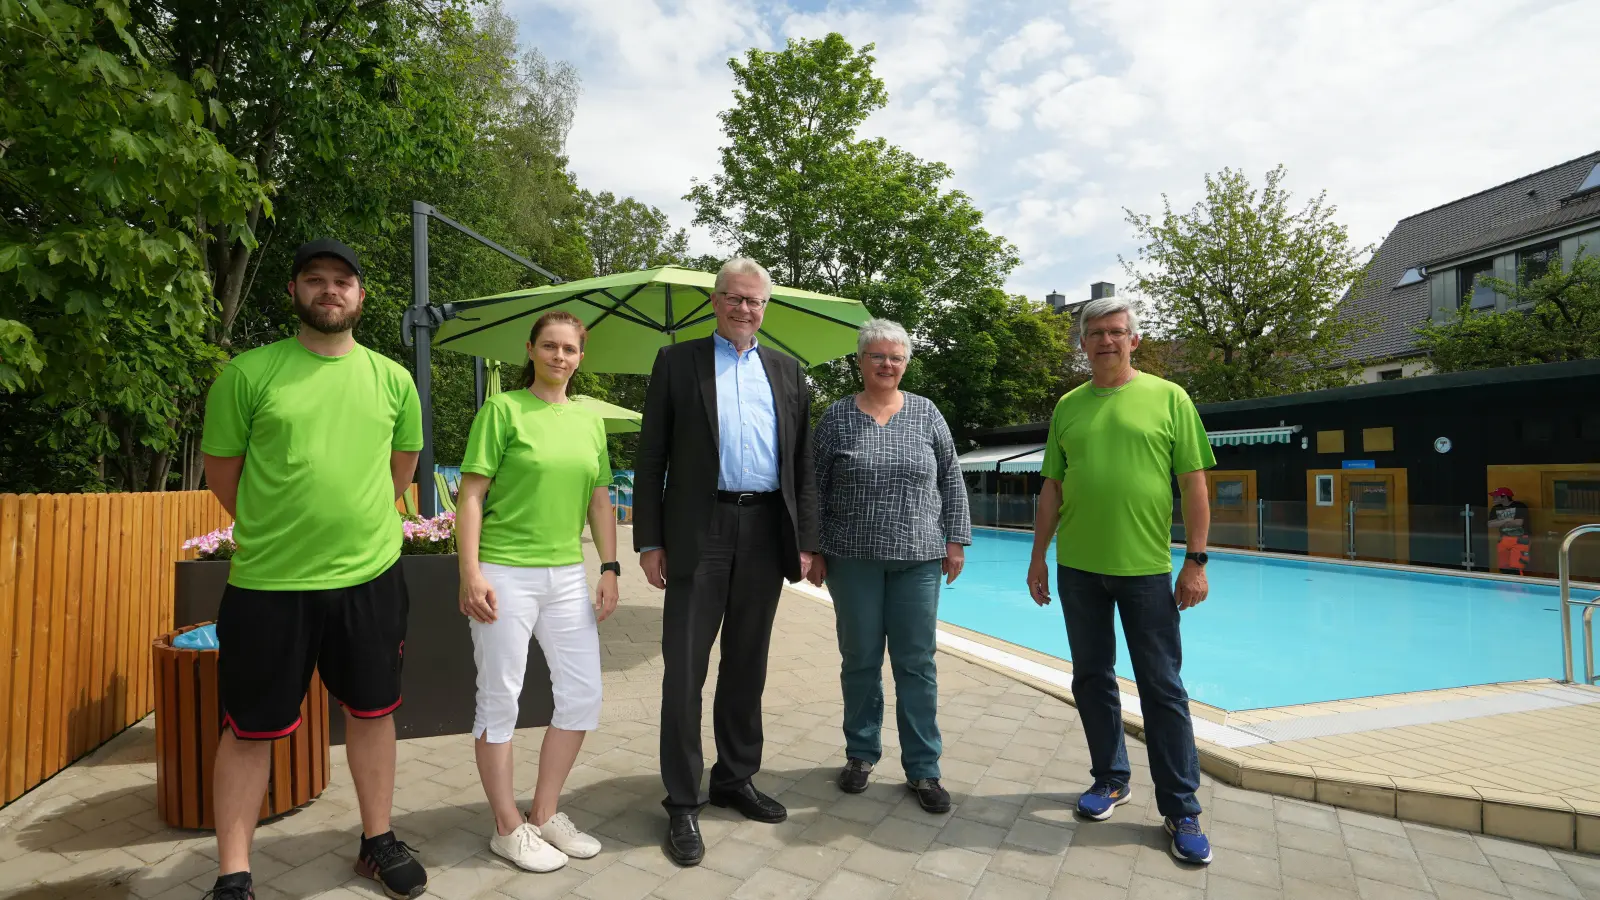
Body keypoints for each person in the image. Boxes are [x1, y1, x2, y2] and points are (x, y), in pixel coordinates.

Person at [200, 239, 427, 900]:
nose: (331, 290)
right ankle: (234, 874)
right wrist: (284, 527)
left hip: (371, 580)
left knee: (372, 711)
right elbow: (224, 474)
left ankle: (377, 841)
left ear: (361, 297)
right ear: (295, 291)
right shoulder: (248, 374)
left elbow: (402, 467)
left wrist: (354, 522)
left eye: (343, 281)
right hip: (270, 585)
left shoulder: (393, 379)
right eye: (316, 279)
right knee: (249, 729)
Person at [634, 257, 819, 867]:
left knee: (748, 662)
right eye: (734, 298)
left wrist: (806, 538)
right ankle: (683, 800)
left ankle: (734, 777)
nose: (745, 309)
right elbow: (652, 455)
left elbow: (802, 465)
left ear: (766, 307)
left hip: (766, 528)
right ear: (715, 301)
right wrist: (650, 540)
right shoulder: (676, 362)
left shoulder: (789, 371)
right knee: (685, 667)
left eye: (755, 301)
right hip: (699, 526)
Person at [1025, 295, 1217, 866]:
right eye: (1095, 333)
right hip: (1079, 569)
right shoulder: (1068, 406)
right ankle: (1111, 777)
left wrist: (1197, 560)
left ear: (1134, 340)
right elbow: (1052, 489)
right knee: (1091, 678)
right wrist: (1038, 557)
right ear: (1081, 344)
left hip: (1146, 571)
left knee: (1162, 687)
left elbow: (1195, 484)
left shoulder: (1169, 398)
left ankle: (1181, 806)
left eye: (1116, 331)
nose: (1106, 341)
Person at [455, 310, 620, 873]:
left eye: (569, 348)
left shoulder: (589, 420)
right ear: (530, 350)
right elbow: (471, 494)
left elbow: (600, 498)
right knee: (500, 697)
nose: (558, 356)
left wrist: (611, 566)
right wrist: (469, 572)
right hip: (504, 572)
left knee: (581, 696)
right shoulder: (503, 410)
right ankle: (507, 825)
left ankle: (544, 813)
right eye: (548, 346)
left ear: (581, 355)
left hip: (567, 575)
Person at [808, 318, 970, 813]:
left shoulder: (926, 413)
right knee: (859, 660)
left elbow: (951, 477)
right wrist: (811, 548)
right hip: (851, 559)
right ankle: (860, 753)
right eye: (877, 356)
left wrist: (957, 539)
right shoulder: (836, 417)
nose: (887, 364)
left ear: (906, 363)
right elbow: (812, 486)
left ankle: (923, 768)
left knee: (916, 664)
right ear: (859, 361)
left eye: (896, 357)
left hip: (918, 560)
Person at [1490, 487, 1531, 575]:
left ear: (1504, 497)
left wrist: (1499, 522)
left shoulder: (1519, 505)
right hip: (1503, 539)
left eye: (1496, 496)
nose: (1493, 498)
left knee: (1517, 567)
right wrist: (1506, 520)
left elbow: (1518, 522)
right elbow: (1490, 524)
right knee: (1503, 568)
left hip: (1520, 539)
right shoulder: (1495, 508)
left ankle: (1517, 588)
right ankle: (1504, 588)